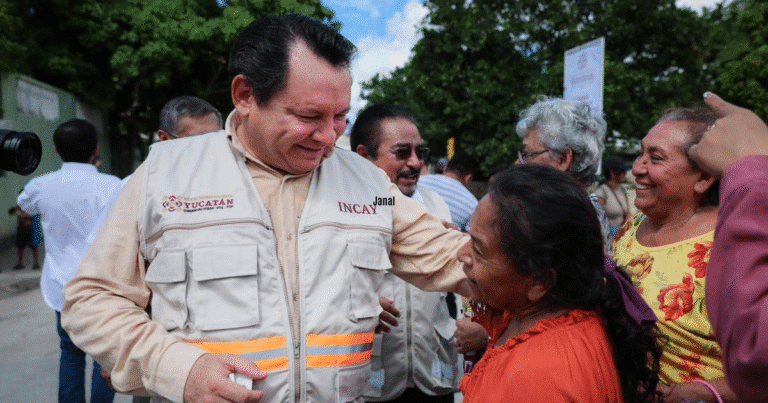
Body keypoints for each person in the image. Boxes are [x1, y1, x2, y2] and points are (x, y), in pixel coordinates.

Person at [62, 14, 468, 403]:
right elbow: (92, 299)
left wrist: (515, 241)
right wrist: (179, 370)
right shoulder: (163, 176)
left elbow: (452, 257)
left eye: (341, 117)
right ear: (245, 96)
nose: (328, 137)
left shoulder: (369, 186)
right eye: (309, 116)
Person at [458, 164, 662, 403]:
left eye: (478, 250)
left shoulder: (538, 376)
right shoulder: (556, 316)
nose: (461, 253)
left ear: (540, 281)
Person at [611, 105, 738, 402]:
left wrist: (682, 395)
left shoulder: (731, 246)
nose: (638, 168)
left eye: (655, 158)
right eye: (641, 154)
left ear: (704, 177)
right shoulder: (634, 225)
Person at [351, 104, 460, 403]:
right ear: (363, 156)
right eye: (402, 153)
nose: (415, 163)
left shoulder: (436, 203)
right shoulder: (343, 212)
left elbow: (453, 291)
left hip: (434, 378)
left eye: (420, 152)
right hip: (374, 380)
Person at [17, 118, 121, 403]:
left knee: (70, 352)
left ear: (55, 149)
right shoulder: (112, 186)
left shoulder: (42, 185)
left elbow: (24, 204)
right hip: (103, 287)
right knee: (104, 357)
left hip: (61, 287)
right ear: (96, 149)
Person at [688, 92, 768, 403]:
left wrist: (750, 170)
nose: (639, 168)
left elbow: (754, 350)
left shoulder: (716, 237)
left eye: (656, 157)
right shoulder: (629, 231)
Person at [515, 96, 610, 249]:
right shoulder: (582, 209)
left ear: (563, 159)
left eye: (528, 154)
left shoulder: (566, 219)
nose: (519, 163)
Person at [418, 152, 480, 232]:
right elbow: (469, 238)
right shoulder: (472, 204)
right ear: (468, 178)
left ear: (445, 169)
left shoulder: (419, 181)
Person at [596, 156, 632, 240]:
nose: (624, 174)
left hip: (623, 232)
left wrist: (625, 229)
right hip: (610, 236)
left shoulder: (622, 190)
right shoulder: (601, 193)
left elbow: (628, 212)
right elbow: (598, 220)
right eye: (622, 171)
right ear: (612, 173)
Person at [8, 201, 42, 270]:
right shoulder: (19, 207)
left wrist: (23, 215)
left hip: (29, 228)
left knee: (34, 246)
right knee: (20, 246)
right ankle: (20, 263)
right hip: (21, 228)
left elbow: (33, 216)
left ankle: (36, 263)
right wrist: (16, 210)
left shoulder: (31, 206)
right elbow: (10, 212)